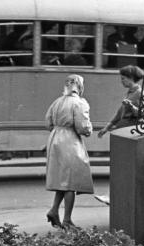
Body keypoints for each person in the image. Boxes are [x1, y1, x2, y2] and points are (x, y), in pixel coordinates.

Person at [45, 74, 94, 229]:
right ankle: (67, 220)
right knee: (71, 182)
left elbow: (48, 122)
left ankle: (54, 210)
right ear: (79, 86)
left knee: (62, 180)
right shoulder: (79, 103)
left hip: (55, 139)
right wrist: (89, 130)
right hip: (69, 141)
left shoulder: (57, 102)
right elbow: (82, 126)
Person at [98, 65, 144, 137]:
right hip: (125, 129)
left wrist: (131, 106)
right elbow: (119, 113)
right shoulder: (130, 92)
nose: (121, 81)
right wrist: (106, 128)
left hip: (130, 131)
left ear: (131, 78)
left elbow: (141, 114)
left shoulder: (139, 93)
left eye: (123, 78)